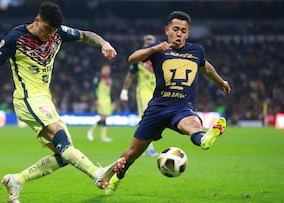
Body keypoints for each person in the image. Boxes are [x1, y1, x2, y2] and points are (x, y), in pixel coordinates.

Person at [0, 2, 125, 202]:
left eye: (53, 32)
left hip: (44, 99)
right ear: (37, 20)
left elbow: (86, 34)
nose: (50, 35)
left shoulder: (58, 32)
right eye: (46, 30)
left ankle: (17, 179)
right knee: (61, 138)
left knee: (65, 153)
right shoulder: (15, 38)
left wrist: (104, 44)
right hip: (27, 98)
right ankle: (96, 174)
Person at [105, 11, 231, 195]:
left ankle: (204, 138)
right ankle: (117, 177)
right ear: (167, 30)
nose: (179, 33)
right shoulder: (159, 48)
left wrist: (221, 82)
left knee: (193, 125)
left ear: (188, 34)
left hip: (181, 106)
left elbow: (205, 67)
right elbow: (132, 58)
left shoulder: (196, 50)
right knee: (131, 153)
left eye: (183, 31)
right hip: (157, 108)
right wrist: (154, 49)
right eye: (176, 29)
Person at [120, 34, 159, 156]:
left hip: (157, 92)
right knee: (147, 118)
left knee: (155, 120)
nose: (147, 45)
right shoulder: (139, 59)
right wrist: (124, 91)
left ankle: (139, 147)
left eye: (150, 43)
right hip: (144, 93)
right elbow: (130, 75)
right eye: (146, 43)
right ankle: (148, 148)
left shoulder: (160, 58)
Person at [87, 64, 115, 142]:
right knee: (103, 117)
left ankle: (103, 136)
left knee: (105, 118)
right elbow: (94, 89)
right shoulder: (98, 78)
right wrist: (96, 99)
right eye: (105, 69)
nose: (107, 71)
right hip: (101, 100)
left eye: (108, 69)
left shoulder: (109, 79)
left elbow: (110, 91)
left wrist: (112, 101)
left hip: (108, 101)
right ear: (102, 70)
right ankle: (91, 131)